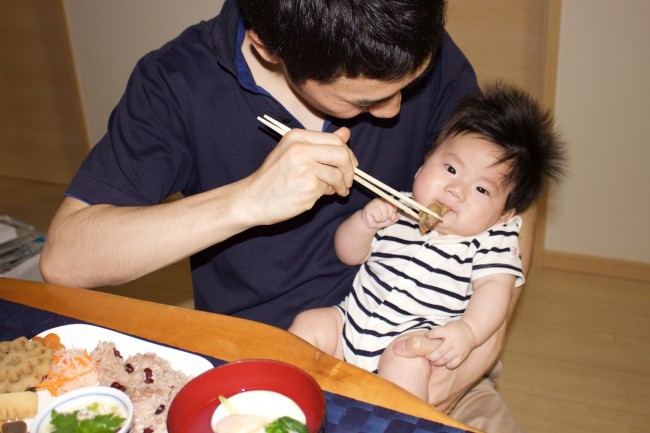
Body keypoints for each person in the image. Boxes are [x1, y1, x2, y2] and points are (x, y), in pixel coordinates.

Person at [40, 1, 535, 431]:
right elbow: (66, 258)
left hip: (425, 348)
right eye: (368, 99)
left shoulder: (406, 40)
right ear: (267, 46)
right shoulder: (177, 82)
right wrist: (247, 201)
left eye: (411, 84)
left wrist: (479, 350)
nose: (393, 112)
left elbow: (514, 195)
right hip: (262, 363)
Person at [289, 82, 565, 404]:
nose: (456, 190)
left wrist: (469, 332)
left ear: (504, 214)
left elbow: (495, 292)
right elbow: (349, 255)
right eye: (450, 168)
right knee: (309, 324)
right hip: (349, 324)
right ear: (423, 165)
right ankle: (288, 398)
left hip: (412, 342)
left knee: (405, 361)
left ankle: (398, 421)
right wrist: (363, 224)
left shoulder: (491, 241)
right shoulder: (399, 208)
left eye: (481, 190)